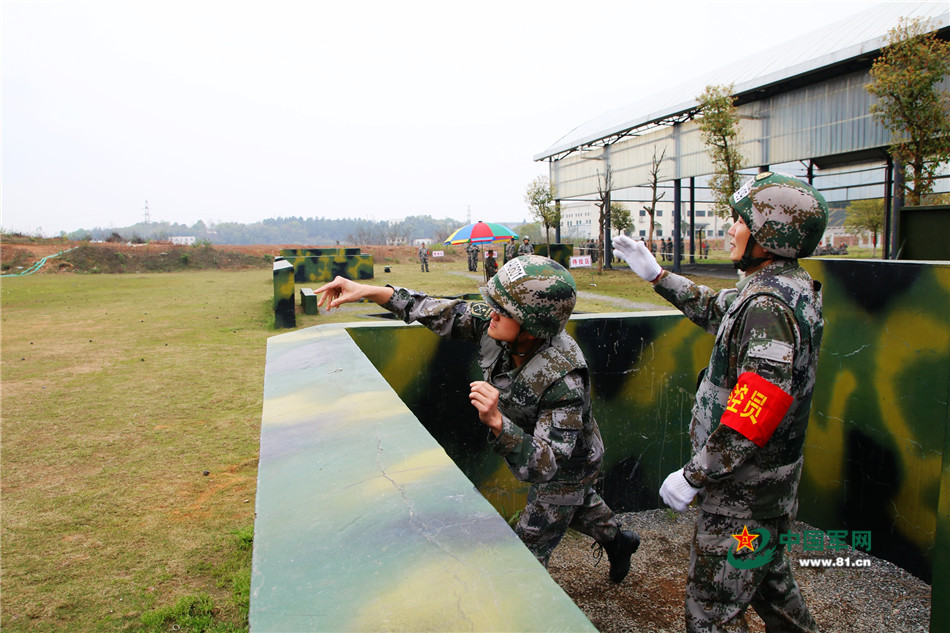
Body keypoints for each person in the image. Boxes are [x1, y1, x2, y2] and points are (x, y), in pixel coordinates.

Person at [314, 255, 641, 583]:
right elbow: (435, 310)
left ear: (533, 325)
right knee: (578, 506)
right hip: (538, 447)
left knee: (530, 547)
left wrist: (498, 422)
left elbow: (546, 466)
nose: (492, 313)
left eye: (504, 309)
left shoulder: (564, 380)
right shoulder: (498, 324)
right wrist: (368, 291)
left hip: (567, 465)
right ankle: (619, 541)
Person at [613, 172, 828, 633]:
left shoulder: (769, 305)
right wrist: (658, 276)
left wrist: (695, 474)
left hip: (742, 496)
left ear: (771, 234)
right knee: (772, 589)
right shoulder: (780, 285)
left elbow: (755, 411)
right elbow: (718, 310)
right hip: (762, 492)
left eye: (741, 221)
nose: (731, 229)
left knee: (711, 613)